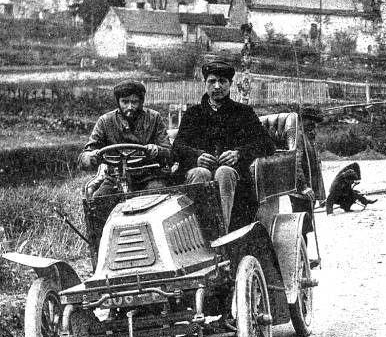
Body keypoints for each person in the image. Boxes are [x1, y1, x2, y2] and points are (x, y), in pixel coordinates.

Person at [173, 60, 275, 230]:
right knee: (200, 173)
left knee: (224, 172)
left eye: (223, 81)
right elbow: (177, 148)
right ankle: (198, 232)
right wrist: (196, 156)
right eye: (212, 81)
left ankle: (222, 233)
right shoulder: (193, 114)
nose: (217, 86)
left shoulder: (243, 113)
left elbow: (267, 144)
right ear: (205, 84)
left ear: (231, 84)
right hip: (198, 173)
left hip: (236, 179)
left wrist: (238, 153)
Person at [78, 80, 172, 197]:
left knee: (155, 197)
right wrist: (91, 157)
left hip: (150, 176)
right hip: (116, 178)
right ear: (118, 101)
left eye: (134, 102)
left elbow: (169, 151)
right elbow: (85, 156)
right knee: (99, 200)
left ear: (141, 101)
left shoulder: (154, 118)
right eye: (125, 102)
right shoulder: (105, 121)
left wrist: (157, 150)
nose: (130, 107)